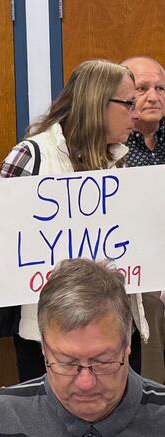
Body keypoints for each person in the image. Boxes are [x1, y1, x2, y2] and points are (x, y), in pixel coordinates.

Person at [0, 59, 147, 382]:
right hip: (50, 338)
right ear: (98, 103)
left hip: (113, 332)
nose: (136, 112)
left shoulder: (120, 161)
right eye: (129, 103)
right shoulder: (30, 156)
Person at [0, 258, 165, 437]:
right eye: (67, 363)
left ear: (127, 343)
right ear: (44, 349)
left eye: (103, 361)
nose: (86, 384)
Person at [121, 56, 165, 384]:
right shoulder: (112, 145)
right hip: (136, 269)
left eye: (160, 87)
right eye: (142, 88)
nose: (154, 96)